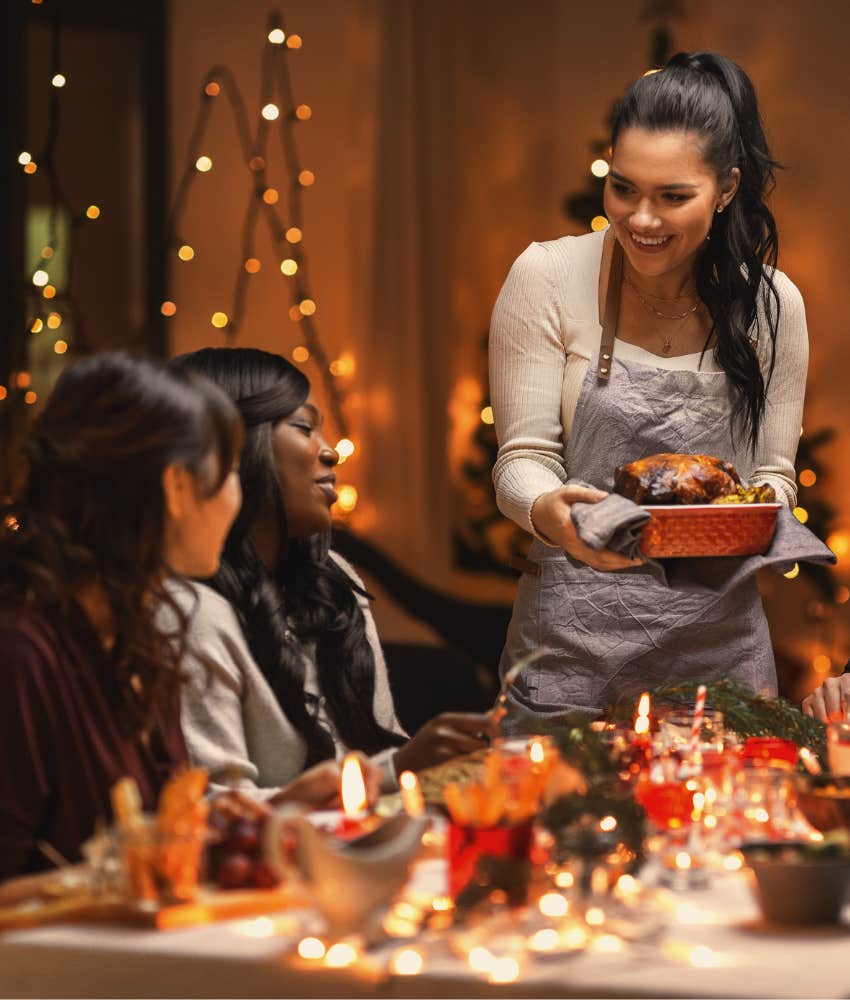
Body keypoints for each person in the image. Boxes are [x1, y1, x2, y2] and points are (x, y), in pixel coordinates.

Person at [490, 52, 808, 722]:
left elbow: (775, 477)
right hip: (569, 652)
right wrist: (548, 510)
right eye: (624, 187)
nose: (641, 219)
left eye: (673, 197)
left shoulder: (773, 305)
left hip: (720, 662)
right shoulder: (546, 276)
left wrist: (737, 522)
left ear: (725, 188)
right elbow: (521, 460)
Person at [170, 347, 490, 798]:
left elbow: (370, 756)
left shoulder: (333, 579)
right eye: (303, 428)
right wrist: (391, 772)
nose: (330, 452)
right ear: (233, 450)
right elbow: (216, 812)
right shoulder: (189, 611)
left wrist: (410, 764)